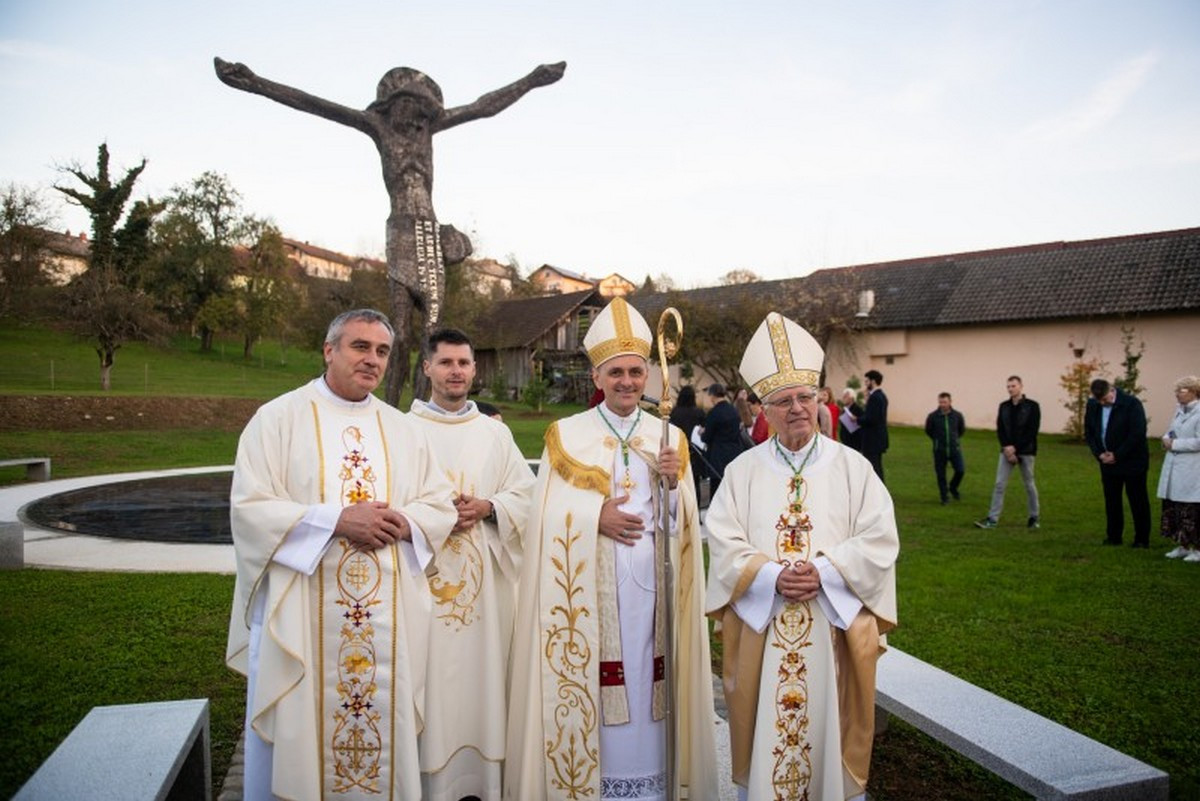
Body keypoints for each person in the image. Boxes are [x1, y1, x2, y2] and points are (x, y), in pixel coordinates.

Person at [213, 56, 565, 404]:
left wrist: (532, 79)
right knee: (397, 334)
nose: (411, 115)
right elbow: (313, 103)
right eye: (405, 106)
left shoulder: (427, 130)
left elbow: (483, 107)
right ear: (391, 106)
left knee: (431, 333)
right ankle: (391, 406)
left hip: (429, 237)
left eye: (418, 108)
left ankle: (420, 411)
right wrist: (255, 81)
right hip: (400, 234)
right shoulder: (378, 127)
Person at [227, 309, 457, 801]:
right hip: (303, 620)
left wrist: (407, 522)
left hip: (386, 622)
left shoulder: (403, 429)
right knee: (301, 738)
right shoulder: (278, 419)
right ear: (329, 350)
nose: (371, 360)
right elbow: (250, 508)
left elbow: (438, 502)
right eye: (360, 347)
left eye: (382, 351)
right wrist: (336, 521)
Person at [505, 297, 718, 799]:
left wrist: (670, 486)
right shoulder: (566, 435)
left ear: (649, 376)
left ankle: (651, 782)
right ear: (597, 377)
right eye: (616, 372)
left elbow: (683, 525)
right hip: (586, 596)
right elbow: (541, 518)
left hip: (653, 595)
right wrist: (592, 516)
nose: (627, 382)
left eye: (636, 372)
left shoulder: (667, 436)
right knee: (595, 684)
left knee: (650, 683)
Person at [705, 311, 899, 801]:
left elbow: (880, 538)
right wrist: (770, 576)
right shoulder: (743, 470)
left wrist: (826, 572)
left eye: (805, 398)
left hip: (830, 627)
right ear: (763, 410)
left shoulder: (852, 466)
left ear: (819, 401)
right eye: (783, 401)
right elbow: (723, 538)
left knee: (827, 737)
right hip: (766, 630)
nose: (797, 409)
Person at [409, 328, 536, 799]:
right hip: (426, 581)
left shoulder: (494, 432)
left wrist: (488, 507)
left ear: (474, 369)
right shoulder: (404, 430)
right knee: (432, 680)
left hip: (486, 594)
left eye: (464, 363)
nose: (456, 371)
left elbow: (526, 494)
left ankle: (484, 781)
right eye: (446, 363)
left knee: (483, 682)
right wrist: (439, 514)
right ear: (427, 369)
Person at [1085, 379, 1151, 547]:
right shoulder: (1093, 405)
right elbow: (1090, 433)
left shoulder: (1131, 404)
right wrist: (1099, 453)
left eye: (1105, 399)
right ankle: (1114, 536)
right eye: (1099, 400)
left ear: (1112, 390)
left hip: (1132, 461)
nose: (1102, 403)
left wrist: (1118, 454)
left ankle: (1141, 539)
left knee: (1137, 500)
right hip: (1106, 462)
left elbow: (1137, 433)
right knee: (1112, 500)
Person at [975, 376, 1041, 530]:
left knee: (1029, 484)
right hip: (1006, 452)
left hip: (1026, 451)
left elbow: (1032, 430)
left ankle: (1034, 517)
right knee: (999, 484)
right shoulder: (1004, 406)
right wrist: (1006, 447)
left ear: (1021, 386)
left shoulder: (1032, 406)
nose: (1011, 389)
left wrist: (1015, 448)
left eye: (1013, 386)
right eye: (1008, 386)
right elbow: (1001, 429)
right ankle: (992, 519)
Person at [1159, 375, 1200, 561]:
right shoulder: (1179, 410)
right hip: (1174, 466)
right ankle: (1182, 545)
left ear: (1193, 392)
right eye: (1176, 390)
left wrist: (1174, 444)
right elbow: (1172, 429)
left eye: (1181, 391)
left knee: (1190, 508)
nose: (1177, 394)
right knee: (1175, 505)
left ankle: (1197, 549)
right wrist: (1166, 438)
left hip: (1192, 468)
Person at [702, 382, 745, 494]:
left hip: (718, 457)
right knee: (733, 490)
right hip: (735, 453)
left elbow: (707, 437)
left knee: (717, 491)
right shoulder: (734, 410)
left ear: (712, 395)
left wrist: (702, 432)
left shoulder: (714, 413)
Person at [924, 391, 966, 504]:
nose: (943, 404)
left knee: (960, 470)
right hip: (939, 450)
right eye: (941, 402)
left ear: (950, 402)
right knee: (941, 474)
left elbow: (961, 430)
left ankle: (953, 487)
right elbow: (929, 431)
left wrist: (954, 440)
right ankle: (944, 497)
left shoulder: (957, 416)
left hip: (954, 449)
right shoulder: (933, 416)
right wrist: (937, 441)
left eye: (945, 402)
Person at [858, 369, 889, 481]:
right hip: (877, 438)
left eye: (867, 381)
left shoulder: (875, 397)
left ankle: (879, 493)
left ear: (873, 381)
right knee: (876, 466)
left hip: (873, 439)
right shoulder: (880, 396)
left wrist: (857, 419)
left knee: (874, 467)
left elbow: (871, 418)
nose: (865, 384)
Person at [839, 387, 863, 452]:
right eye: (843, 396)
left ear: (852, 398)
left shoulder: (858, 409)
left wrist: (855, 419)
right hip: (845, 439)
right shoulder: (845, 409)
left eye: (845, 396)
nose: (843, 398)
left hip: (854, 441)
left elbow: (861, 423)